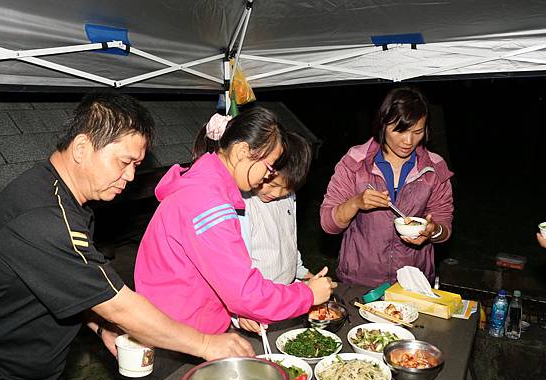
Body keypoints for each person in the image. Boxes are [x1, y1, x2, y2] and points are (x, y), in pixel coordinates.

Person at [0, 92, 253, 380]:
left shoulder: (67, 202)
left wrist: (100, 327)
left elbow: (65, 286)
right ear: (82, 148)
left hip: (38, 376)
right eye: (124, 162)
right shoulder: (42, 217)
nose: (131, 176)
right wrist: (204, 343)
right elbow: (120, 305)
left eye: (136, 165)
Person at [134, 108, 335, 335]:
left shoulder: (208, 187)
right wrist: (307, 295)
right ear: (242, 151)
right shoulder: (207, 202)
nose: (266, 178)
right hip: (177, 334)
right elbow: (244, 292)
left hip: (188, 326)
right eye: (269, 167)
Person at [320, 87, 454, 287]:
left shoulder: (434, 169)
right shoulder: (355, 163)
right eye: (399, 131)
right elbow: (328, 224)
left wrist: (432, 231)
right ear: (383, 124)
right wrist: (355, 203)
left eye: (417, 132)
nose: (408, 141)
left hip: (412, 283)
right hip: (359, 281)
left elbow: (444, 225)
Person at [239, 131, 315, 284]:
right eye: (273, 185)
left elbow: (288, 237)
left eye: (286, 188)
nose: (277, 193)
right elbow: (240, 273)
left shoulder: (288, 197)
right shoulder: (244, 204)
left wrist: (302, 271)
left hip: (287, 289)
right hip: (262, 295)